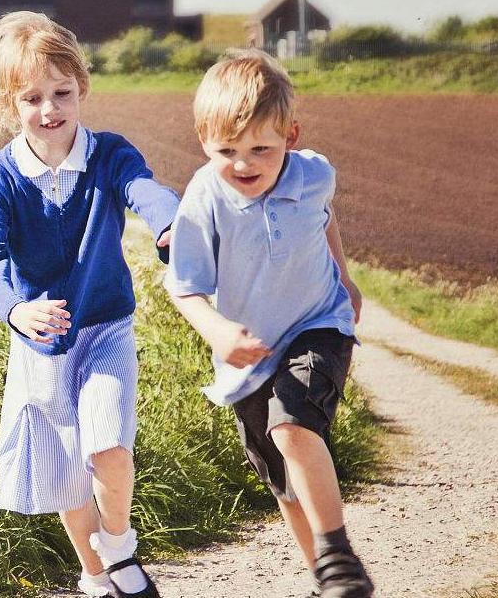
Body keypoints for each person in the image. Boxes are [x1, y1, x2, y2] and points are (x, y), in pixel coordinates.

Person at [0, 11, 179, 598]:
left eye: (61, 93)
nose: (49, 110)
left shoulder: (109, 154)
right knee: (66, 475)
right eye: (32, 98)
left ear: (81, 86)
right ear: (10, 104)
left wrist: (168, 224)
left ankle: (117, 548)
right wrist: (16, 311)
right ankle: (95, 577)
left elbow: (146, 189)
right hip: (43, 341)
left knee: (108, 447)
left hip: (106, 324)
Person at [163, 50, 373, 598]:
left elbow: (323, 223)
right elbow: (183, 287)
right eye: (226, 151)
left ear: (292, 136)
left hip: (318, 324)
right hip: (248, 355)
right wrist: (217, 332)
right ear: (203, 142)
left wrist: (345, 281)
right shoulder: (202, 201)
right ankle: (326, 581)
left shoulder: (315, 174)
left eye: (262, 148)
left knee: (292, 425)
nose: (244, 164)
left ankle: (339, 557)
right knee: (281, 480)